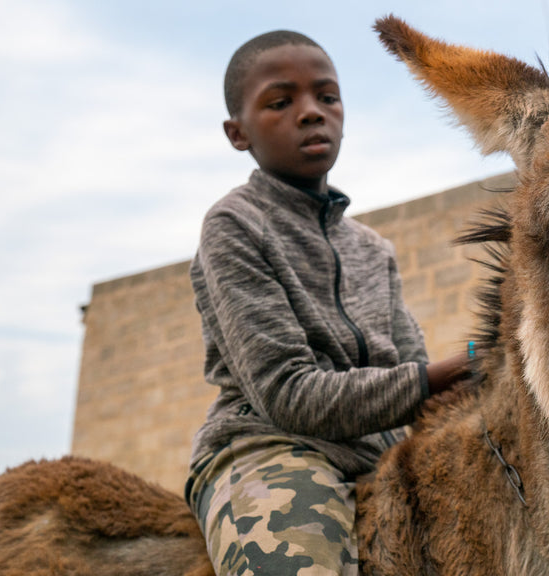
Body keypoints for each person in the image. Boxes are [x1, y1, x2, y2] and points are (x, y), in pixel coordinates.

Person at [184, 31, 470, 575]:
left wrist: (487, 371)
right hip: (274, 451)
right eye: (281, 101)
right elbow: (289, 395)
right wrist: (447, 372)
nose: (311, 113)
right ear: (237, 133)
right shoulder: (234, 226)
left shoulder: (373, 250)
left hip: (382, 460)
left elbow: (416, 374)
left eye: (327, 97)